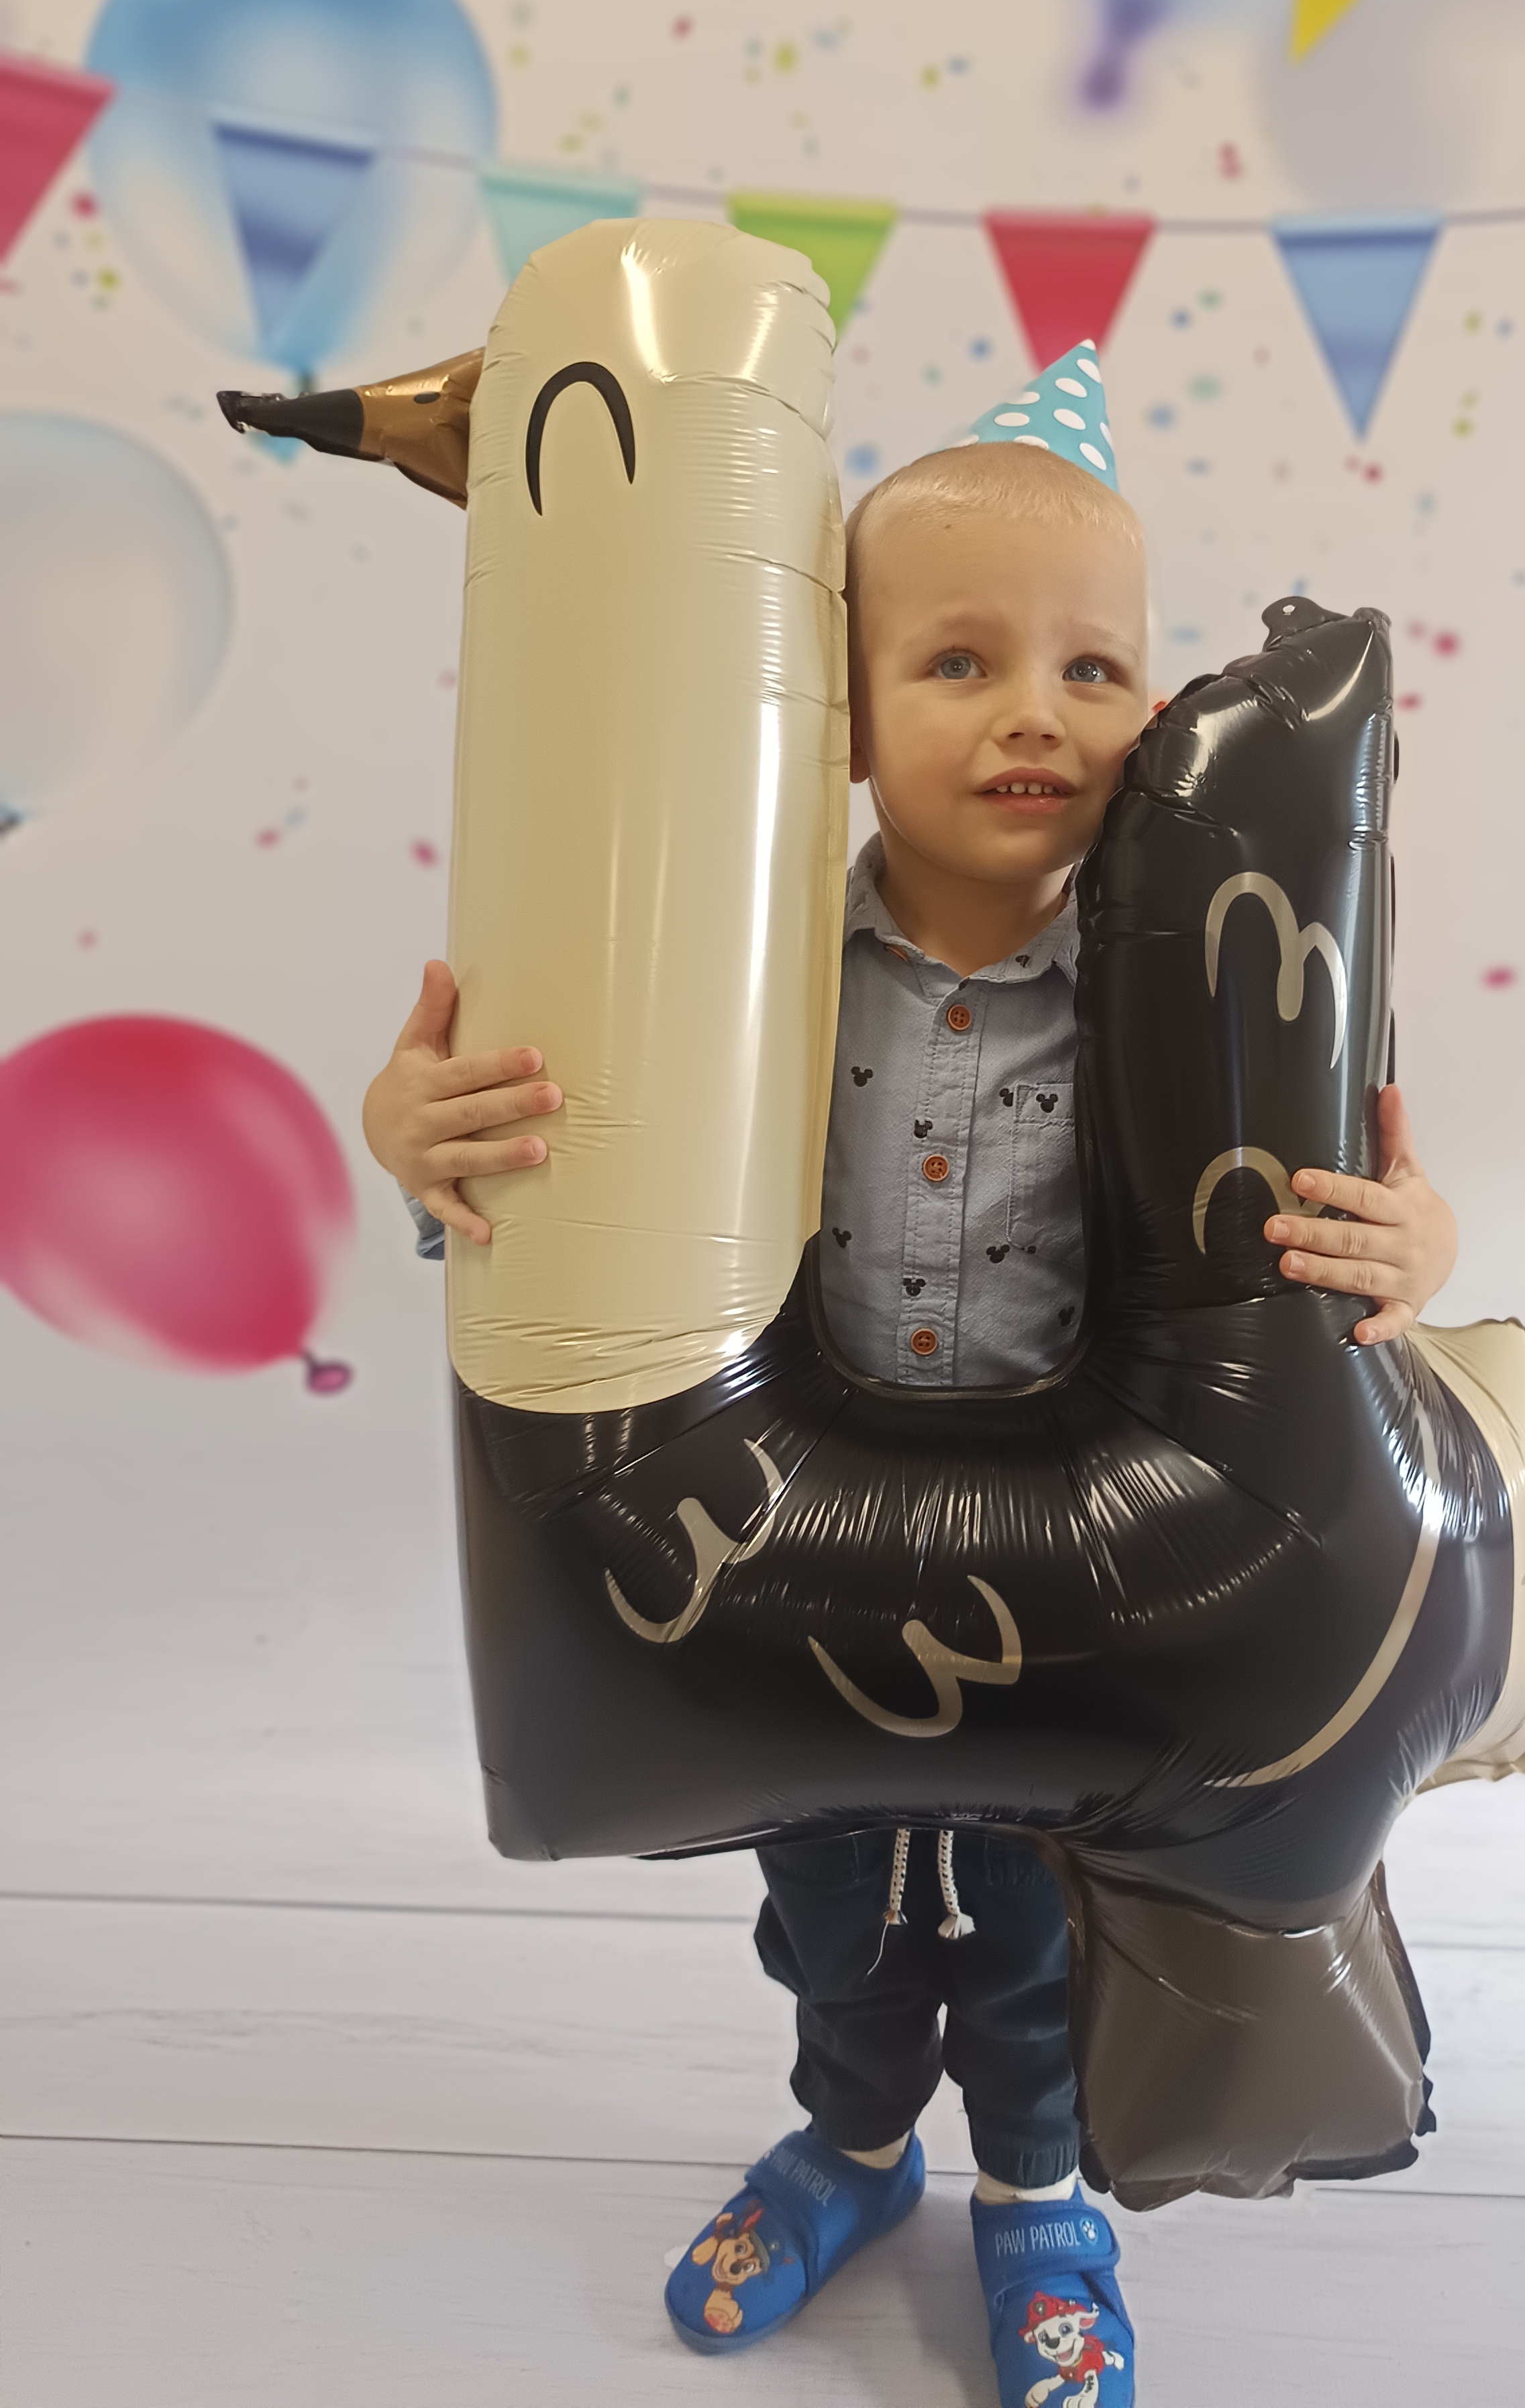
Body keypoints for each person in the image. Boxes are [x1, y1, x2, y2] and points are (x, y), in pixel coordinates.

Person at [362, 348, 1460, 2405]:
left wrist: (1410, 1246)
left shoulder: (1182, 996)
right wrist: (432, 1146)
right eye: (958, 662)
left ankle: (1036, 2192)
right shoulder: (742, 963)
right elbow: (586, 1212)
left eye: (1094, 669)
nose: (1035, 711)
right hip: (796, 1569)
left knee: (1039, 1937)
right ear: (844, 717)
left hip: (1088, 1591)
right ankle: (853, 2147)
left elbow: (1335, 1227)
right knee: (837, 1924)